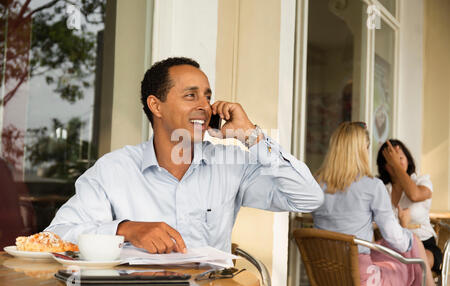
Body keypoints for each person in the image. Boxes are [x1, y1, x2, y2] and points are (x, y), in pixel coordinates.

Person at [45, 57, 324, 255]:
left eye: (207, 96)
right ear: (156, 105)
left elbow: (309, 197)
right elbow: (56, 235)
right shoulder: (113, 170)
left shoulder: (231, 165)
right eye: (191, 96)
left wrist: (252, 136)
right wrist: (126, 229)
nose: (204, 105)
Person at [312, 121, 440, 286]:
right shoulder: (372, 186)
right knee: (413, 246)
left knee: (409, 245)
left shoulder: (316, 184)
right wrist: (409, 239)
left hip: (326, 281)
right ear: (362, 150)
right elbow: (396, 239)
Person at [377, 139, 443, 274]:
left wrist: (396, 164)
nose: (398, 162)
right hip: (393, 248)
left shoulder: (422, 181)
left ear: (408, 159)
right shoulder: (382, 189)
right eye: (392, 160)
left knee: (413, 266)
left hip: (424, 245)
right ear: (385, 166)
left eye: (401, 157)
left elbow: (414, 195)